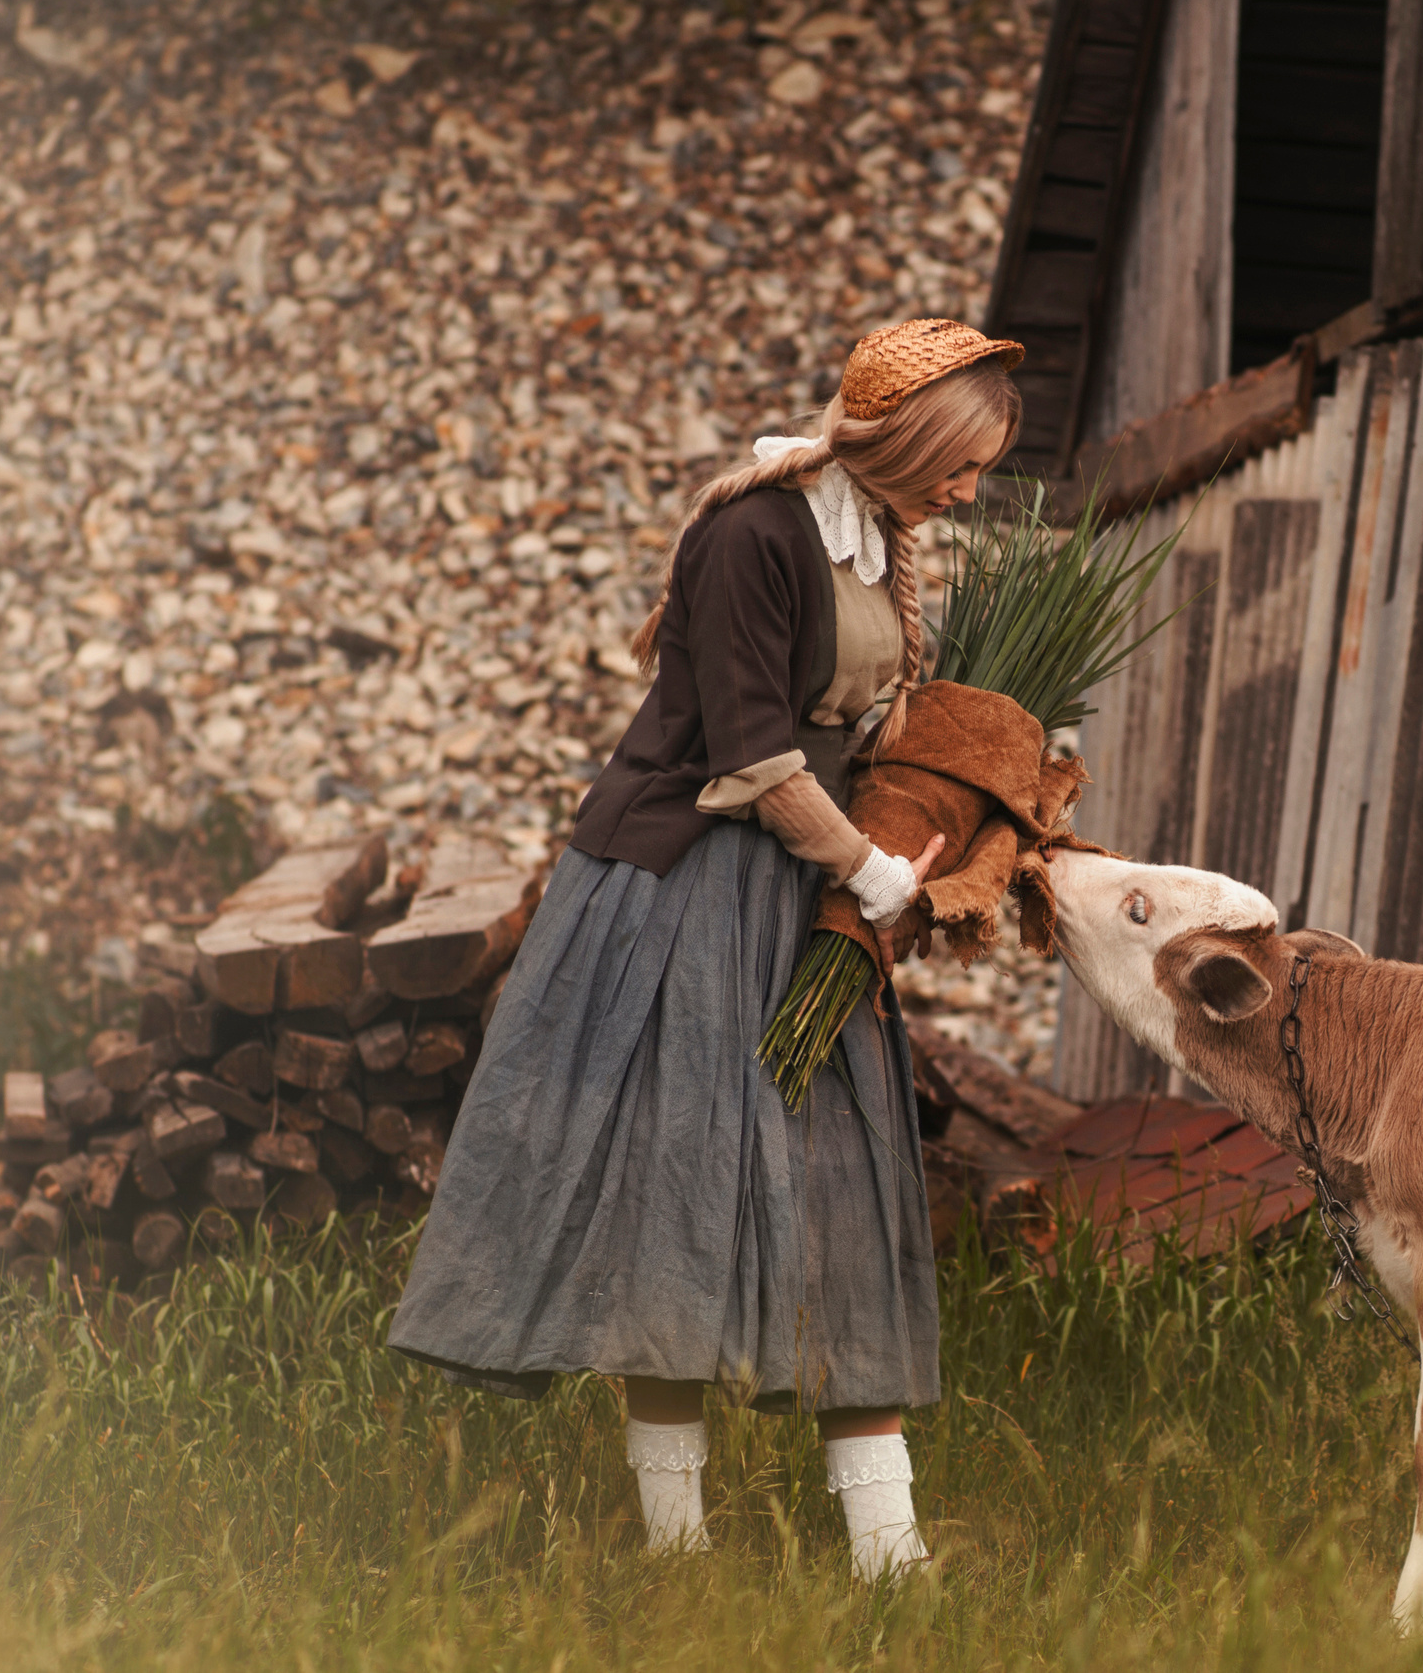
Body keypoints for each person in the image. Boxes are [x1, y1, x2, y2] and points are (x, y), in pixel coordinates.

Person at [387, 318, 1025, 1573]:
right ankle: (674, 1558)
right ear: (901, 439)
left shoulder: (878, 535)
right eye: (960, 463)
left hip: (812, 884)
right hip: (686, 888)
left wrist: (963, 793)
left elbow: (865, 724)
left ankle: (888, 1555)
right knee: (665, 1194)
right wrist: (870, 868)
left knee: (848, 1178)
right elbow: (747, 751)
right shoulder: (753, 532)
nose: (969, 490)